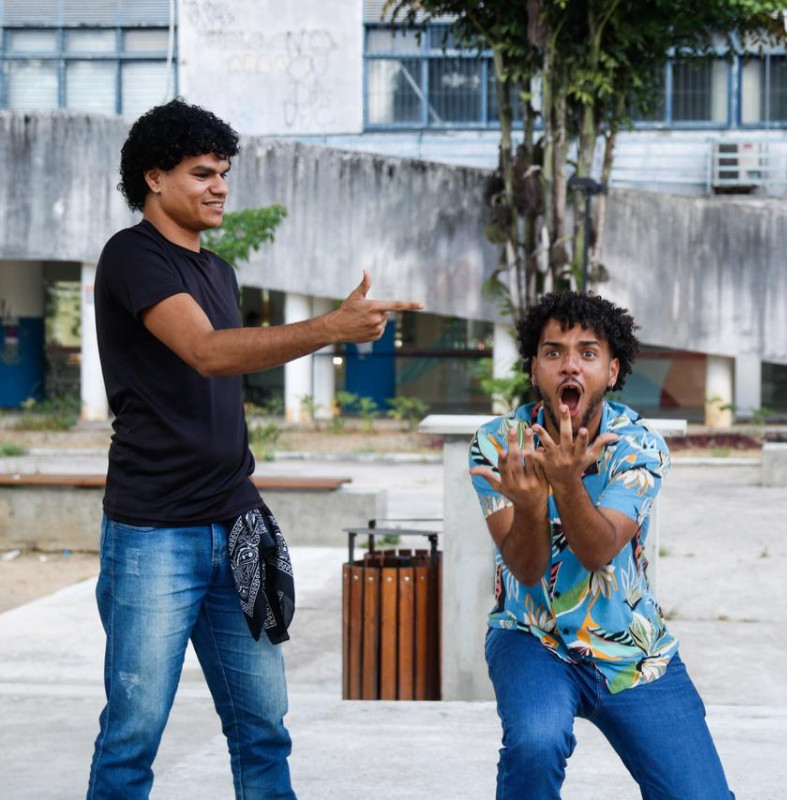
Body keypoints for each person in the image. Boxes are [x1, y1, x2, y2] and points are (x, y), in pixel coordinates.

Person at [88, 99, 421, 800]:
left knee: (264, 726)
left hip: (235, 523)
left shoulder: (220, 271)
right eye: (202, 173)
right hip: (155, 534)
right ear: (154, 177)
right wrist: (332, 325)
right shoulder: (132, 257)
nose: (220, 188)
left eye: (225, 174)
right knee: (133, 733)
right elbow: (207, 353)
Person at [468, 290, 734, 800]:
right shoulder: (498, 443)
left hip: (631, 647)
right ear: (534, 368)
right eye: (554, 352)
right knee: (535, 742)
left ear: (612, 371)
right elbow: (524, 571)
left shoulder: (638, 446)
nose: (570, 366)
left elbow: (597, 552)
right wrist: (528, 506)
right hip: (532, 637)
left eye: (588, 353)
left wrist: (565, 485)